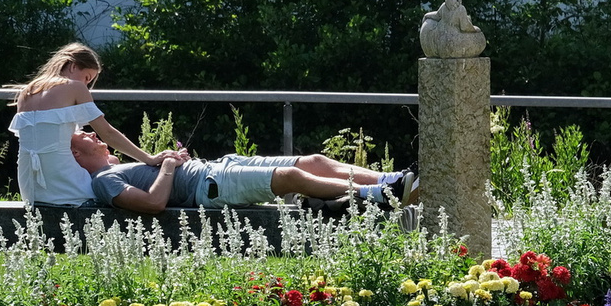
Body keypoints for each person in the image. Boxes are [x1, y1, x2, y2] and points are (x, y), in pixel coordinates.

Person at [68, 130, 417, 215]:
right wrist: (171, 166)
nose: (95, 134)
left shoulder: (117, 167)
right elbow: (153, 203)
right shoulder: (103, 181)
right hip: (211, 187)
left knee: (313, 161)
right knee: (288, 179)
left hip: (219, 167)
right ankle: (381, 196)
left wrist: (163, 160)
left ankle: (392, 180)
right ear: (76, 152)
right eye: (86, 134)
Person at [6, 43, 184, 207]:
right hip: (64, 182)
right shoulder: (75, 87)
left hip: (30, 186)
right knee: (113, 186)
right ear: (73, 66)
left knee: (111, 171)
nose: (86, 85)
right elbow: (107, 133)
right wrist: (149, 159)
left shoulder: (26, 92)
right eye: (87, 78)